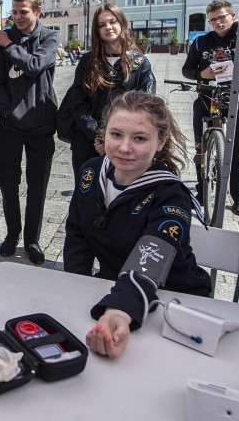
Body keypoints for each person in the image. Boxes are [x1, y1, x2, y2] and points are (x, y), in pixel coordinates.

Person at [64, 91, 211, 358]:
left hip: (174, 305)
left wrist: (121, 306)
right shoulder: (90, 172)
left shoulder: (171, 194)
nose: (124, 148)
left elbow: (152, 254)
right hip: (114, 294)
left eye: (140, 138)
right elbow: (77, 234)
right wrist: (75, 286)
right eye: (116, 134)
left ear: (161, 141)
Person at [0, 0, 59, 265]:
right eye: (14, 12)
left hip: (41, 124)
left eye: (23, 12)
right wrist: (7, 112)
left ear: (37, 11)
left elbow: (34, 65)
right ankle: (11, 234)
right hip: (10, 126)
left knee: (37, 187)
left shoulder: (50, 37)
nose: (17, 17)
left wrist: (9, 45)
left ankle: (32, 239)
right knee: (9, 185)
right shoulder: (2, 39)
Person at [182, 0, 239, 216]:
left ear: (232, 16)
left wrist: (235, 23)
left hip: (236, 98)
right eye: (213, 19)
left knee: (238, 150)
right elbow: (187, 70)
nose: (217, 23)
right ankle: (202, 190)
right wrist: (201, 74)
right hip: (207, 97)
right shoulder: (201, 43)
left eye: (222, 17)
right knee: (201, 148)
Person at [67, 4, 155, 187]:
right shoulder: (88, 61)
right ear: (96, 31)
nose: (108, 27)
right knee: (87, 197)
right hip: (89, 142)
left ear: (122, 23)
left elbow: (145, 106)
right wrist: (98, 136)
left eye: (112, 21)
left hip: (125, 144)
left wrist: (113, 139)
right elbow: (78, 102)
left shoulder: (139, 63)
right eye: (101, 24)